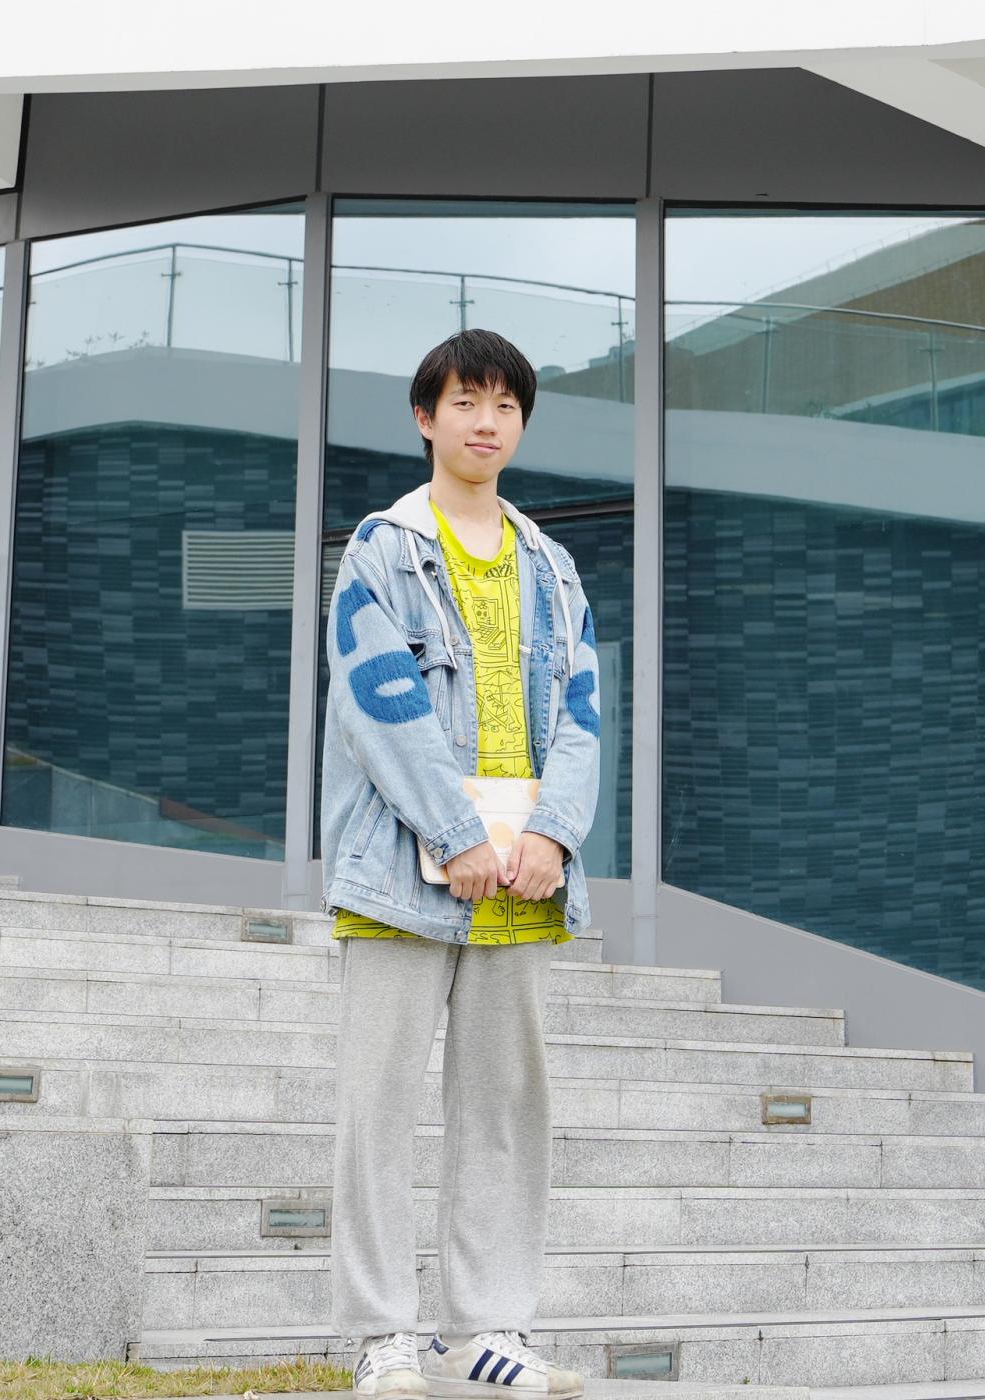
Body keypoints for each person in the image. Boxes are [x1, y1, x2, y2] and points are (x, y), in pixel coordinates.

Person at [320, 328, 603, 1400]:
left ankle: (488, 1327)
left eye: (505, 406)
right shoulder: (383, 549)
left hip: (522, 874)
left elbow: (583, 712)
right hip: (405, 873)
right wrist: (454, 834)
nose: (486, 422)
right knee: (377, 1108)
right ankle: (383, 1333)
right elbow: (377, 701)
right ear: (425, 417)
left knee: (503, 1110)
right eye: (466, 402)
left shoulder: (549, 564)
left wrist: (552, 836)